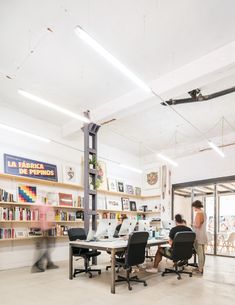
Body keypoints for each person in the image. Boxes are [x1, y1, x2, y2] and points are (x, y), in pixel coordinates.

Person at [31, 204, 59, 272]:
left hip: (41, 229)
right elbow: (50, 220)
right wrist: (54, 224)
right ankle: (37, 265)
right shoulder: (49, 207)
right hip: (46, 230)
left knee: (46, 248)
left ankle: (49, 264)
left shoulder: (40, 207)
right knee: (48, 248)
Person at [192, 200, 208, 274]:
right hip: (203, 235)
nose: (193, 209)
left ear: (196, 207)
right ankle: (201, 267)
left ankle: (200, 269)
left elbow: (198, 225)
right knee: (202, 253)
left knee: (200, 253)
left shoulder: (199, 214)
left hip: (198, 236)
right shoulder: (204, 213)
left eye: (193, 207)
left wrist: (192, 224)